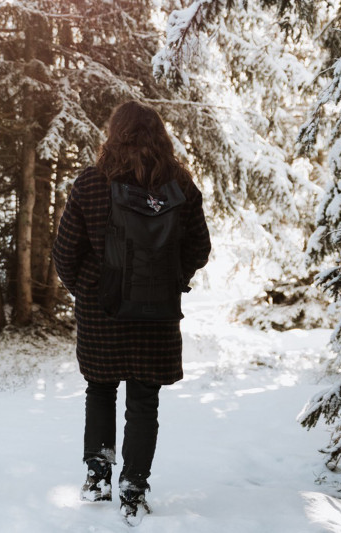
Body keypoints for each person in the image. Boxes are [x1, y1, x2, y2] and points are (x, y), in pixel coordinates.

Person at [52, 101, 211, 524]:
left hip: (102, 310)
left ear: (113, 135)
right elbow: (199, 249)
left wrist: (85, 289)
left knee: (100, 389)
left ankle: (97, 477)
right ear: (161, 137)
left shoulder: (91, 183)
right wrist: (170, 279)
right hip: (156, 314)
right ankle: (134, 487)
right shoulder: (181, 186)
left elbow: (65, 252)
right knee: (144, 401)